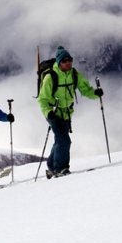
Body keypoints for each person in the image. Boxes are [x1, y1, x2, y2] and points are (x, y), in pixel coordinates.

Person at [37, 46, 103, 178]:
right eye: (64, 61)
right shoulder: (50, 77)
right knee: (64, 140)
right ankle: (60, 168)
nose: (68, 63)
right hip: (53, 113)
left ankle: (51, 165)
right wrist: (48, 112)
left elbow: (85, 89)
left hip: (67, 113)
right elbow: (42, 99)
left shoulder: (74, 74)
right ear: (59, 62)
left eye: (70, 60)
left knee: (60, 140)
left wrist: (96, 94)